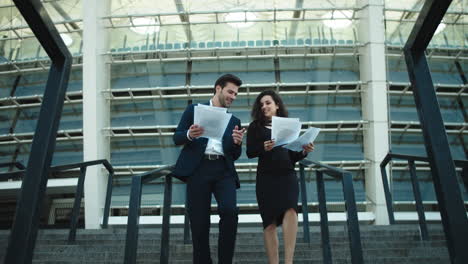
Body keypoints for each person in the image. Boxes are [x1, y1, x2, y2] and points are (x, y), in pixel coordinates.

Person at [172, 74, 246, 264]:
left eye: (236, 94)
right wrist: (189, 134)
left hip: (223, 170)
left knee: (230, 211)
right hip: (198, 169)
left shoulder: (234, 120)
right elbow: (177, 137)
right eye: (230, 92)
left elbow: (234, 155)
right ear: (218, 88)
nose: (233, 97)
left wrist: (237, 144)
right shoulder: (194, 109)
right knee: (199, 221)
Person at [246, 90, 315, 264]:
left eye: (268, 103)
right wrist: (264, 147)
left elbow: (292, 155)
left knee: (291, 210)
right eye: (261, 104)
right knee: (269, 223)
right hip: (266, 179)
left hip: (287, 176)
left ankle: (289, 261)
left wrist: (304, 151)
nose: (264, 107)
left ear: (277, 105)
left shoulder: (288, 126)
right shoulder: (255, 126)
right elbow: (250, 152)